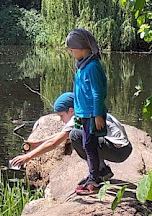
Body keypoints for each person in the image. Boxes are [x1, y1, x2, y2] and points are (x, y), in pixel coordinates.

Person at [11, 92, 132, 195]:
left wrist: (27, 157)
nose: (60, 119)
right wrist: (36, 144)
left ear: (71, 110)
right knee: (77, 134)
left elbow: (55, 143)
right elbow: (59, 136)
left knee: (75, 135)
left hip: (118, 151)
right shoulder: (86, 110)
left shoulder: (78, 116)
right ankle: (102, 171)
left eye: (61, 116)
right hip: (123, 149)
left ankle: (99, 172)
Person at [65, 28, 108, 194]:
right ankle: (95, 174)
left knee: (89, 146)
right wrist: (77, 111)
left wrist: (97, 114)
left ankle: (94, 180)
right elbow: (80, 91)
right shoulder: (83, 66)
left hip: (92, 114)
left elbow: (98, 92)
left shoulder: (92, 66)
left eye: (72, 49)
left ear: (82, 48)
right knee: (87, 144)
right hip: (84, 113)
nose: (70, 52)